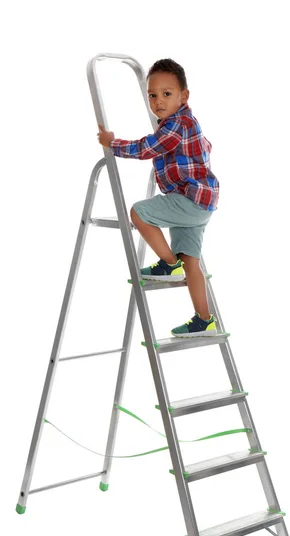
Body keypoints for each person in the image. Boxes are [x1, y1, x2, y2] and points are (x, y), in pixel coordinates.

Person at [97, 58, 219, 338]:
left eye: (167, 94)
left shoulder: (177, 124)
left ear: (183, 96)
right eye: (152, 95)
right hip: (201, 202)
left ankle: (167, 263)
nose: (158, 102)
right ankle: (205, 320)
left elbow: (146, 148)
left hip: (190, 200)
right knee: (192, 261)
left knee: (140, 212)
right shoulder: (185, 122)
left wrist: (111, 143)